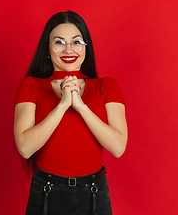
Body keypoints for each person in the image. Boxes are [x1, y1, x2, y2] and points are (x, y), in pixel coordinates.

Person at [14, 11, 127, 215]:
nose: (69, 49)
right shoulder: (31, 86)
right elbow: (25, 148)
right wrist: (62, 105)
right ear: (48, 49)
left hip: (94, 193)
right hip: (47, 192)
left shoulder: (106, 86)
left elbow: (118, 147)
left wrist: (81, 106)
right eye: (59, 42)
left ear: (86, 48)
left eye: (76, 42)